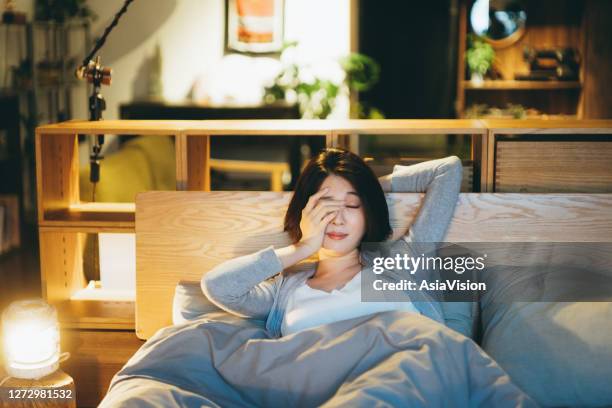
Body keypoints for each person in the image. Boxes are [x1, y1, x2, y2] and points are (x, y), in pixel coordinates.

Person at [201, 148, 465, 338]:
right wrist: (303, 248)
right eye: (325, 205)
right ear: (305, 212)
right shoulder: (284, 291)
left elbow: (447, 170)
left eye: (351, 204)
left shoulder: (403, 262)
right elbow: (219, 286)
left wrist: (369, 188)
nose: (337, 218)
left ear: (367, 212)